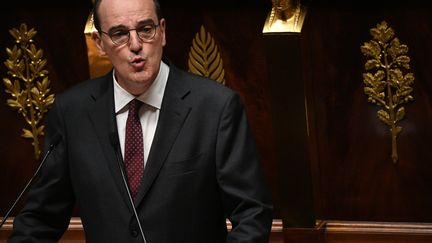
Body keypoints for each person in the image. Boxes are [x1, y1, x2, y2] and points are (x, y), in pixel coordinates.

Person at [8, 0, 273, 242]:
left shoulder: (216, 107)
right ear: (100, 43)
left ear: (163, 32)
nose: (135, 44)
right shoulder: (71, 112)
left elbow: (251, 213)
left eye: (145, 29)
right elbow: (41, 218)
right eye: (120, 34)